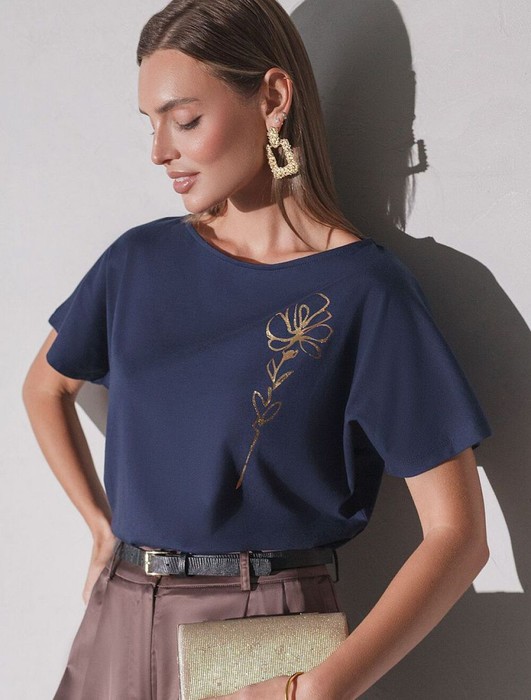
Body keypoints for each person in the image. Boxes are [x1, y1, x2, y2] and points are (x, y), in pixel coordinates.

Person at [22, 1, 493, 698]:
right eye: (151, 124)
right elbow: (45, 386)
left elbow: (457, 535)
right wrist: (99, 528)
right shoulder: (137, 263)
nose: (159, 152)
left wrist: (321, 688)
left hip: (262, 632)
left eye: (184, 120)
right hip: (119, 613)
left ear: (272, 98)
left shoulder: (363, 292)